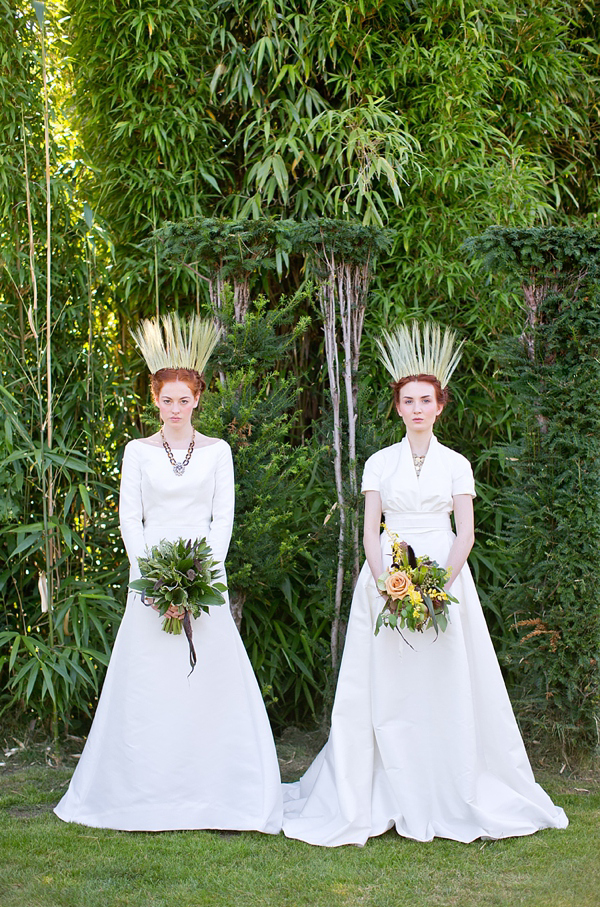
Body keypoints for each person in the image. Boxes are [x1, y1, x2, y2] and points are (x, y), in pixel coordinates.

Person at [282, 322, 568, 846]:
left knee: (443, 681)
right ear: (397, 407)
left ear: (440, 407)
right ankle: (381, 789)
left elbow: (465, 533)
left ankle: (448, 783)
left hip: (443, 580)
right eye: (408, 400)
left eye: (425, 400)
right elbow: (370, 530)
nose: (416, 408)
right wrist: (386, 582)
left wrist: (437, 586)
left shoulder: (457, 464)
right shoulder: (378, 462)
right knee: (388, 684)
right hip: (388, 576)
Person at [55, 314, 282, 832]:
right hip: (151, 573)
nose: (175, 408)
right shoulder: (137, 452)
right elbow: (128, 516)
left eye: (184, 399)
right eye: (166, 399)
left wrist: (206, 572)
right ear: (154, 400)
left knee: (210, 674)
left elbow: (222, 516)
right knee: (149, 675)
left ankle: (216, 786)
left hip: (205, 569)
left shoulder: (218, 452)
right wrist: (150, 575)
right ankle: (144, 785)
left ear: (197, 399)